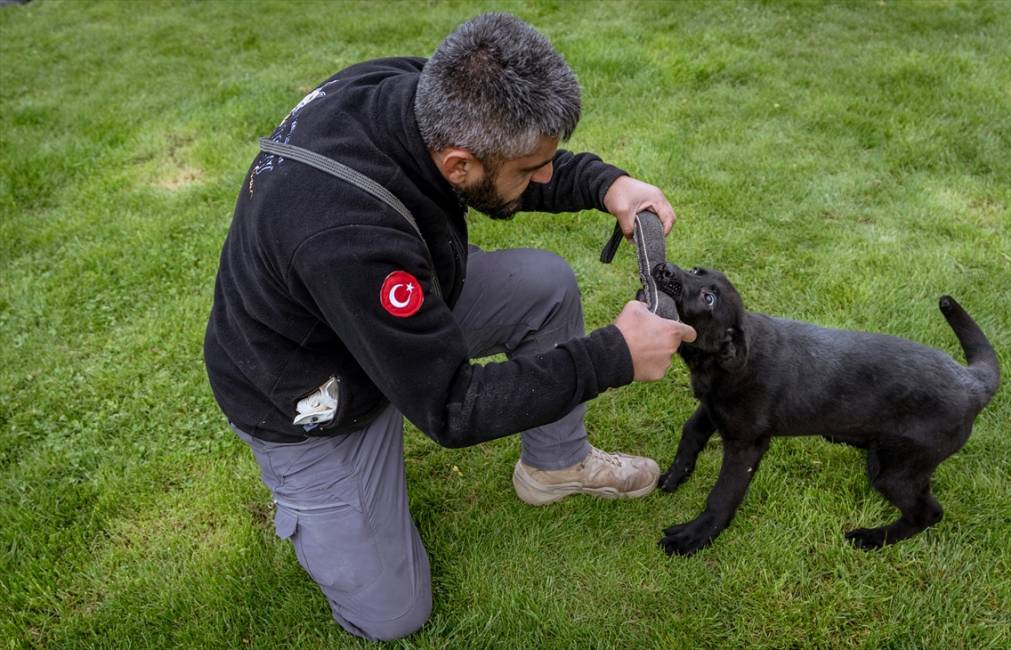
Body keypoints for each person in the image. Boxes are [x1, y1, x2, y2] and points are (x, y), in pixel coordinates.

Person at [203, 12, 695, 641]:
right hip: (309, 390)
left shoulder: (420, 91)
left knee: (542, 287)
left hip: (386, 305)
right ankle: (315, 503)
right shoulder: (346, 236)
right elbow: (452, 409)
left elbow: (505, 174)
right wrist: (613, 355)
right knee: (392, 616)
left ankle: (555, 466)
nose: (545, 175)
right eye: (532, 167)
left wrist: (608, 185)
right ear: (459, 163)